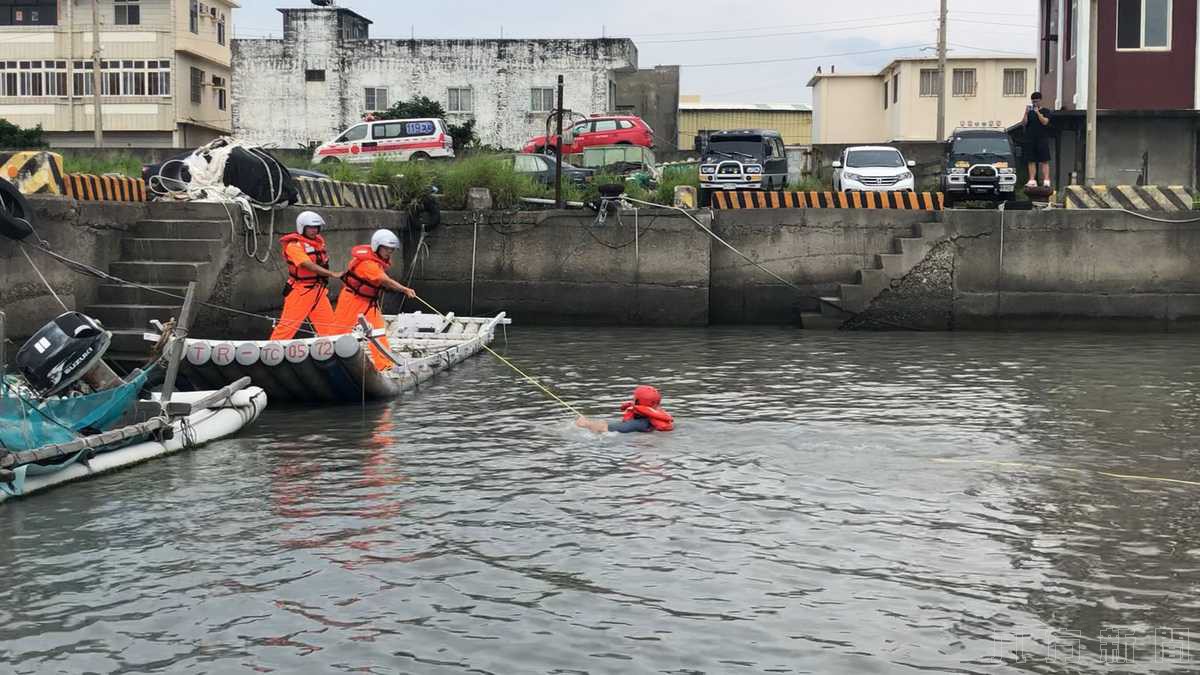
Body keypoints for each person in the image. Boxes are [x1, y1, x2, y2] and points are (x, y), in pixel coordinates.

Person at [331, 228, 417, 371]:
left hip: (368, 302)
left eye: (392, 249)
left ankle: (384, 365)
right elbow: (385, 280)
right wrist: (405, 289)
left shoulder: (375, 261)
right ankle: (332, 360)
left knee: (378, 331)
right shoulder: (368, 264)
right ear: (377, 246)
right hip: (351, 300)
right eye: (387, 249)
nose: (390, 252)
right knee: (339, 332)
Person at [269, 211, 340, 340]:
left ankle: (333, 353)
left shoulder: (318, 244)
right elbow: (307, 265)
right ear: (302, 228)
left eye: (316, 227)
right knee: (287, 328)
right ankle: (272, 353)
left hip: (318, 292)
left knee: (329, 327)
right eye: (310, 228)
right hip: (301, 292)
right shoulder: (294, 246)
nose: (314, 231)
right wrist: (332, 274)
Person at [576, 385, 675, 434]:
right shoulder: (657, 417)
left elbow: (605, 429)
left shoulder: (638, 423)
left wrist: (586, 424)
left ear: (637, 401)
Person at [1023, 92, 1053, 189]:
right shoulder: (1030, 112)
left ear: (1040, 100)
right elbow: (1023, 123)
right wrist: (1026, 113)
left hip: (1042, 139)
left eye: (1036, 101)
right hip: (1030, 139)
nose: (1034, 103)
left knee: (1044, 160)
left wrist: (1037, 112)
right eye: (1033, 101)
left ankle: (1046, 180)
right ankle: (1032, 180)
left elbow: (1045, 122)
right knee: (1031, 160)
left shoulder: (1046, 111)